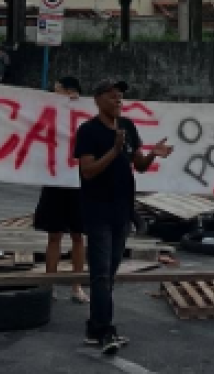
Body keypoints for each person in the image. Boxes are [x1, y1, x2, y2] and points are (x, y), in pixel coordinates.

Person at [75, 80, 172, 354]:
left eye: (120, 97)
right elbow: (88, 171)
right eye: (112, 96)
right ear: (97, 100)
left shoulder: (127, 127)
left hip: (122, 211)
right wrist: (114, 151)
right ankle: (105, 330)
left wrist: (152, 153)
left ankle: (95, 327)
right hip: (98, 211)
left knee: (110, 272)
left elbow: (138, 166)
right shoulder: (88, 131)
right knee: (101, 274)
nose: (118, 100)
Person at [34, 76, 90, 304]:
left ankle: (77, 286)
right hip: (56, 180)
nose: (53, 94)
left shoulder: (86, 114)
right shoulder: (49, 112)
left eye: (57, 90)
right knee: (54, 234)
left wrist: (79, 104)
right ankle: (49, 284)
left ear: (70, 92)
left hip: (78, 182)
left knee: (78, 235)